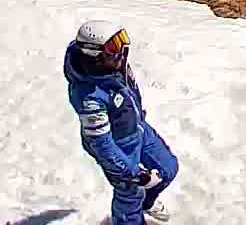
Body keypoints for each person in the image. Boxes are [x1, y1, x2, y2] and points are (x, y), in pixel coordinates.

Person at [63, 20, 178, 224]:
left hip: (138, 128)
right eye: (114, 47)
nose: (123, 52)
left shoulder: (114, 63)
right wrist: (133, 174)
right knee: (130, 195)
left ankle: (146, 202)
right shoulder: (88, 96)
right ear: (94, 55)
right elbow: (102, 144)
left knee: (168, 168)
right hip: (119, 146)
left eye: (121, 42)